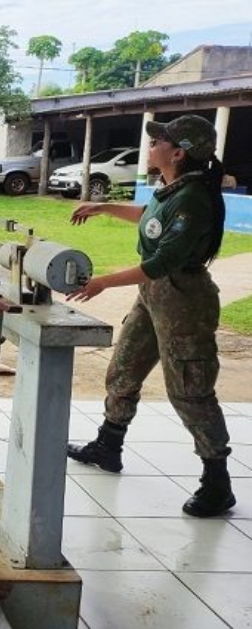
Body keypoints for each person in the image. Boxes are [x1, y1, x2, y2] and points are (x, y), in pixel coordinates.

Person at [65, 114, 235, 518]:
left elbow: (163, 260)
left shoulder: (194, 198)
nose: (152, 144)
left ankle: (217, 481)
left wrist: (102, 282)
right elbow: (149, 215)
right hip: (153, 295)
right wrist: (105, 207)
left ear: (178, 153)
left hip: (183, 302)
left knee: (190, 390)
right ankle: (109, 445)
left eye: (159, 140)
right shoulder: (172, 189)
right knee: (124, 368)